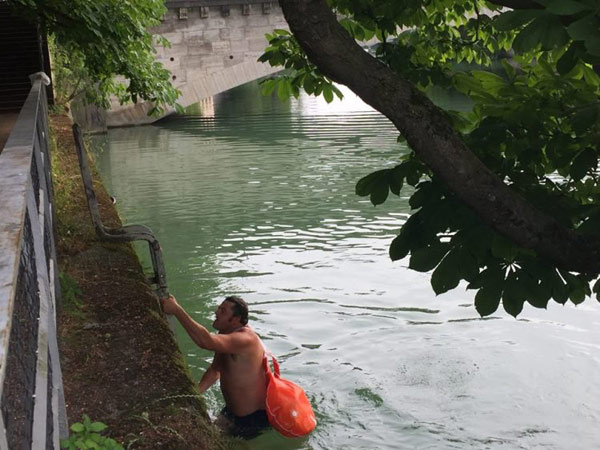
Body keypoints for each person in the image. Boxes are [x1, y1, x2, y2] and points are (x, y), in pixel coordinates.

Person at [161, 294, 269, 439]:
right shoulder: (226, 333)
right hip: (231, 413)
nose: (216, 312)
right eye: (219, 308)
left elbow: (206, 342)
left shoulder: (245, 339)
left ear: (235, 320)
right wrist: (195, 394)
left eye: (223, 311)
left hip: (252, 419)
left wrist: (176, 310)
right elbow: (215, 370)